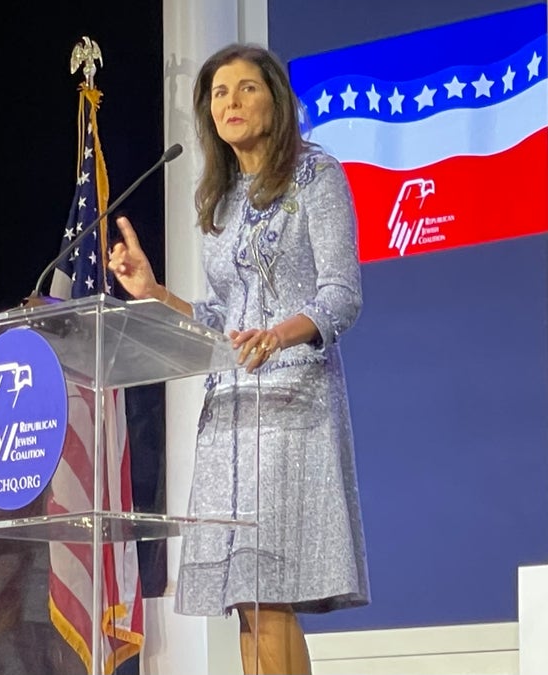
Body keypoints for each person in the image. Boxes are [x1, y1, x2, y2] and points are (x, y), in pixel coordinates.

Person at [106, 43, 369, 675]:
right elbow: (224, 319)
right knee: (247, 602)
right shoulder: (219, 203)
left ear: (276, 101)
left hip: (292, 406)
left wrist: (279, 335)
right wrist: (155, 293)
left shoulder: (317, 176)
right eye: (220, 93)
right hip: (228, 414)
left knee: (271, 593)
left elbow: (342, 295)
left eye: (247, 88)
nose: (231, 102)